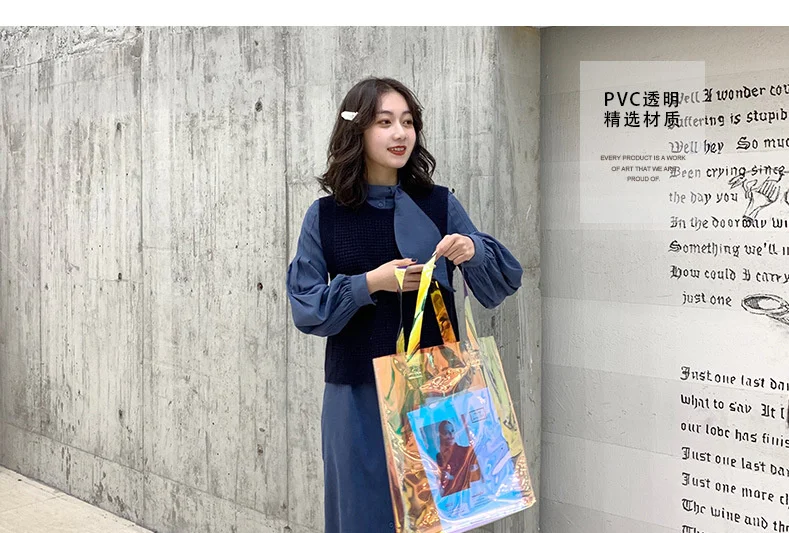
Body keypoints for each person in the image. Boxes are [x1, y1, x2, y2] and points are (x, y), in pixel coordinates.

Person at [286, 77, 523, 533]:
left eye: (408, 122)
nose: (400, 134)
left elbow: (502, 281)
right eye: (385, 122)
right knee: (362, 516)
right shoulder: (326, 216)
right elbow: (306, 306)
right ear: (356, 131)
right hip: (356, 397)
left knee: (442, 518)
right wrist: (370, 283)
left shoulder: (438, 204)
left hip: (437, 395)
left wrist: (472, 249)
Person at [435, 421, 481, 497]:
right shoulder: (439, 457)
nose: (451, 434)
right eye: (446, 432)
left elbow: (476, 476)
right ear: (440, 436)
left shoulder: (467, 451)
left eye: (452, 431)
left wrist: (450, 477)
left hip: (471, 494)